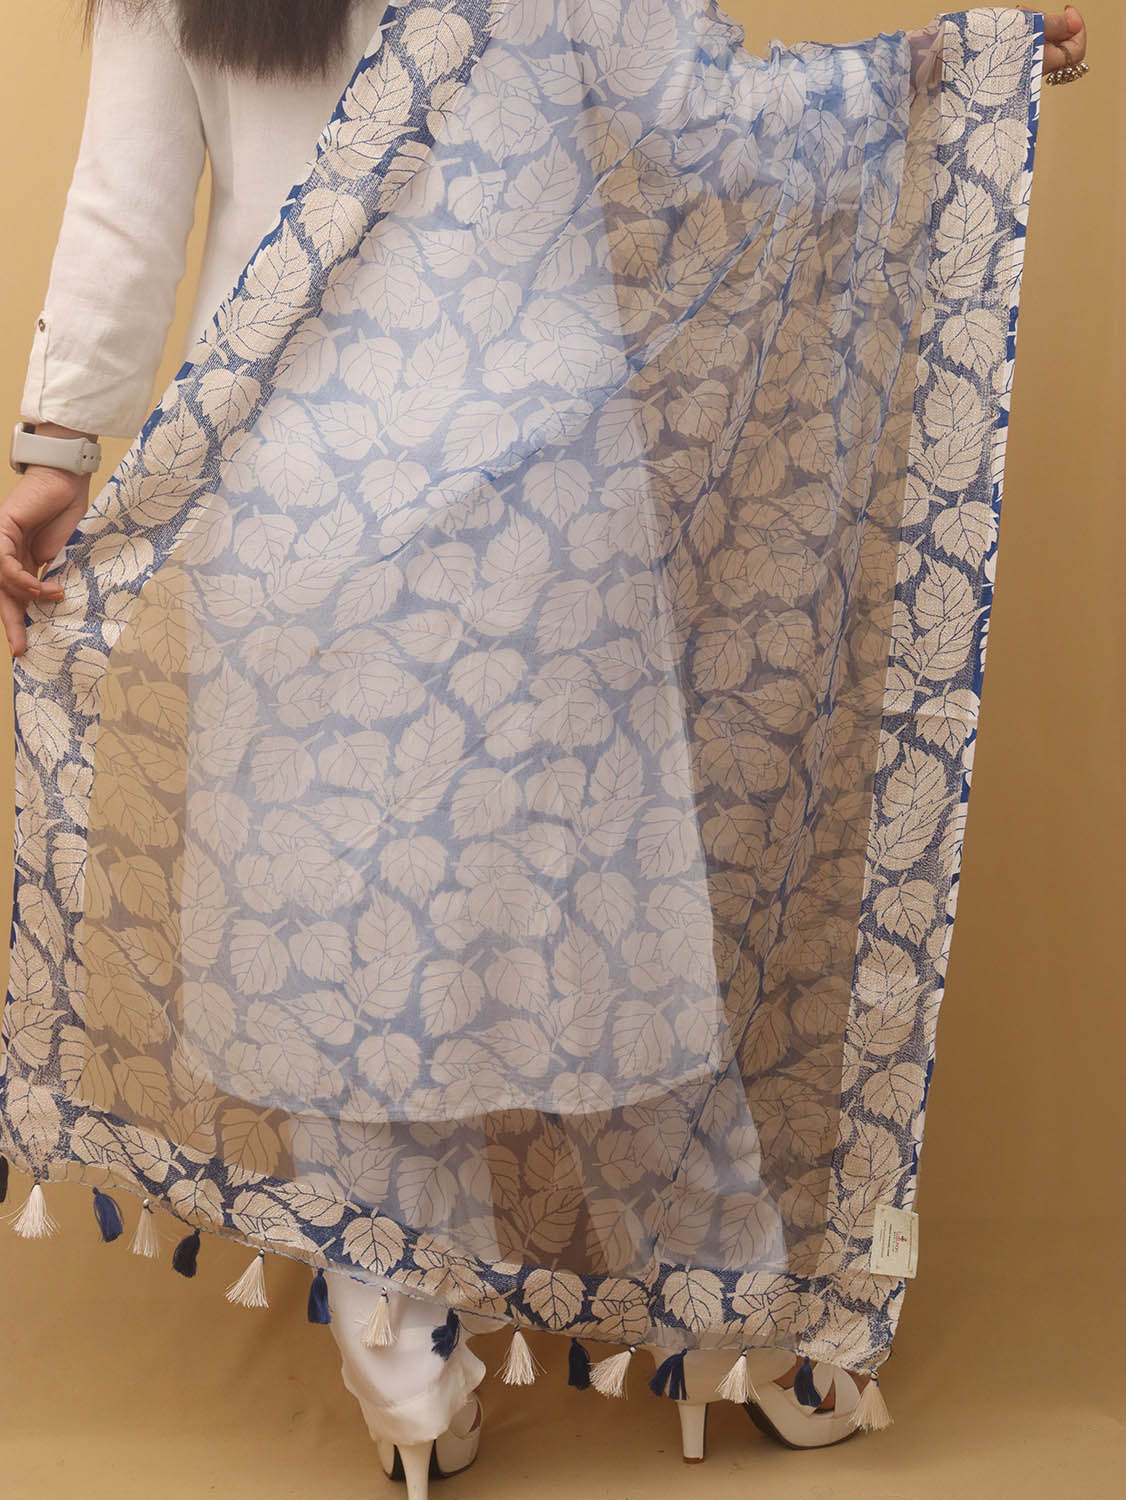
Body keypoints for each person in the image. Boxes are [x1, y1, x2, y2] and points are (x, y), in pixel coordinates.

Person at [0, 2, 1090, 1494]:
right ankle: (744, 1330)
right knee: (607, 937)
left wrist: (54, 455)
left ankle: (403, 1381)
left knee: (347, 962)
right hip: (538, 511)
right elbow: (716, 127)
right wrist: (947, 61)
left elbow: (125, 213)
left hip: (289, 501)